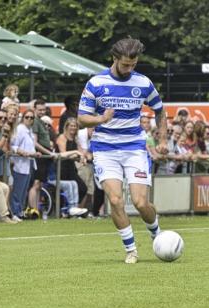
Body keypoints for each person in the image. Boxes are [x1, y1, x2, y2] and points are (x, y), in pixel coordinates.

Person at [78, 37, 167, 264]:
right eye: (126, 64)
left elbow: (160, 110)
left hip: (134, 148)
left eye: (134, 65)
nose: (130, 69)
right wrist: (101, 118)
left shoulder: (143, 83)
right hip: (105, 149)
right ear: (115, 58)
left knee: (140, 203)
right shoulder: (96, 83)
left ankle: (157, 235)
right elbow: (81, 120)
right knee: (116, 200)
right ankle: (131, 250)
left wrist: (163, 139)